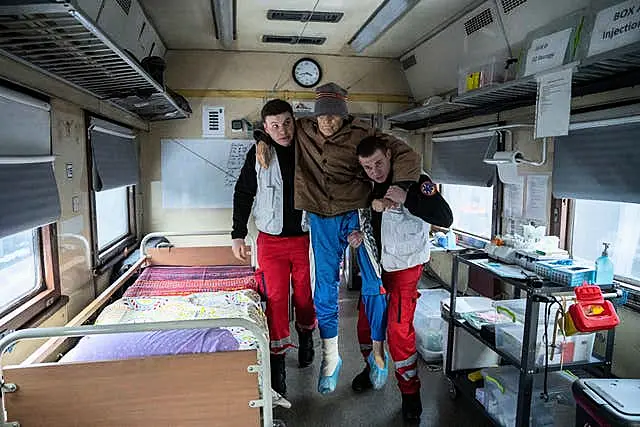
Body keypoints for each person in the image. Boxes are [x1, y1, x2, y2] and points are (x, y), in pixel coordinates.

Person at [256, 83, 421, 394]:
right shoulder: (303, 127)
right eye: (322, 117)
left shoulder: (362, 132)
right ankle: (330, 358)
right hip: (320, 216)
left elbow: (404, 152)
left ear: (344, 117)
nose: (327, 123)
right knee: (324, 288)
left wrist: (403, 185)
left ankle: (377, 352)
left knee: (374, 284)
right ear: (314, 117)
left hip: (357, 211)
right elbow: (274, 128)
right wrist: (261, 140)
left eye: (333, 117)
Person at [349, 135, 453, 424]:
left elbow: (445, 217)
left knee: (397, 331)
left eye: (379, 164)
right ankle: (374, 370)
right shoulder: (367, 185)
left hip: (405, 268)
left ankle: (410, 393)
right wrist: (358, 236)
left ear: (389, 156)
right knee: (366, 325)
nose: (375, 171)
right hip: (374, 268)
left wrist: (408, 198)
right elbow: (368, 220)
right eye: (368, 167)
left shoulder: (416, 181)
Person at [231, 99, 317, 397]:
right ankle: (278, 364)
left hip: (307, 239)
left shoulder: (310, 150)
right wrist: (237, 234)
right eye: (275, 125)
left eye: (287, 123)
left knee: (306, 298)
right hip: (271, 242)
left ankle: (307, 337)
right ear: (265, 128)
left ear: (295, 121)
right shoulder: (258, 154)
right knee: (277, 302)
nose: (283, 130)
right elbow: (243, 193)